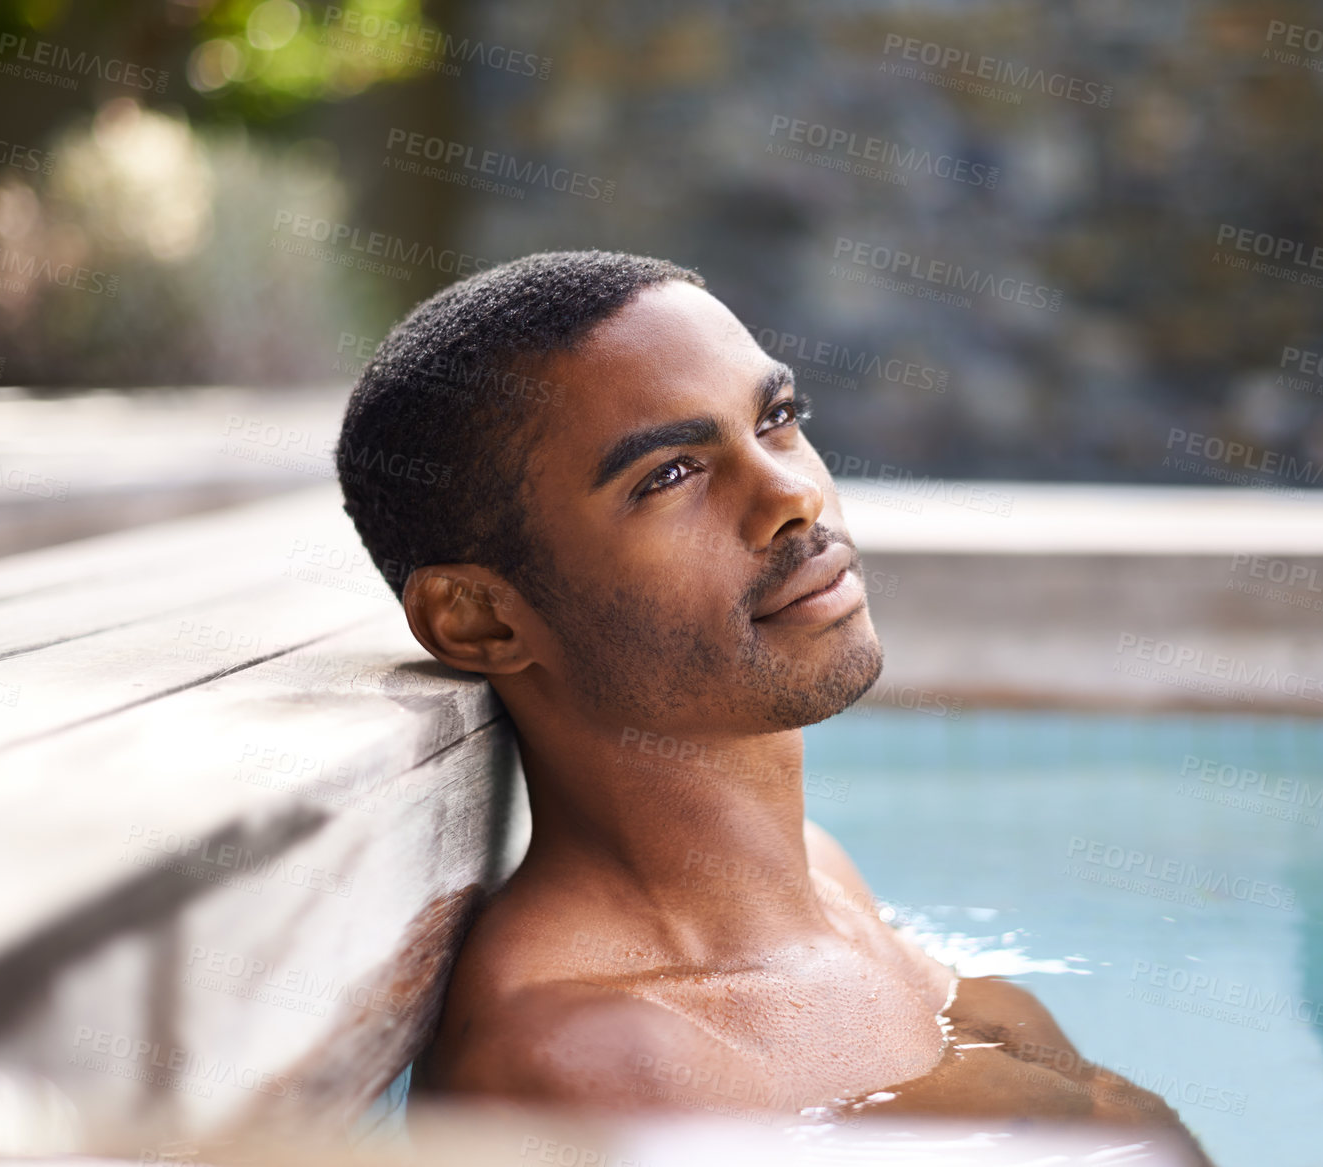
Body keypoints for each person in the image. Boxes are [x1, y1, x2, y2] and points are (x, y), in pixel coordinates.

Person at [335, 250, 1212, 1162]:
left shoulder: (819, 876)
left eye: (778, 419)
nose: (793, 496)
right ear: (478, 619)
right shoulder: (594, 1064)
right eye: (671, 473)